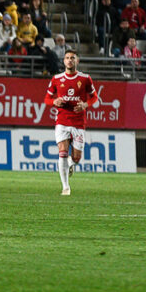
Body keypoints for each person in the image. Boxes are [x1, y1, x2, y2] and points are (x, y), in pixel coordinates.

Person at [43, 50, 98, 196]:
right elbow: (47, 99)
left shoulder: (85, 78)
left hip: (78, 122)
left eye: (72, 58)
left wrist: (85, 104)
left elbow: (94, 97)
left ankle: (71, 162)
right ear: (64, 61)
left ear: (77, 61)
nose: (69, 60)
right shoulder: (56, 79)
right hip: (62, 121)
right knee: (62, 152)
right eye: (67, 58)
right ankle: (65, 187)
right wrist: (54, 102)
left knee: (76, 158)